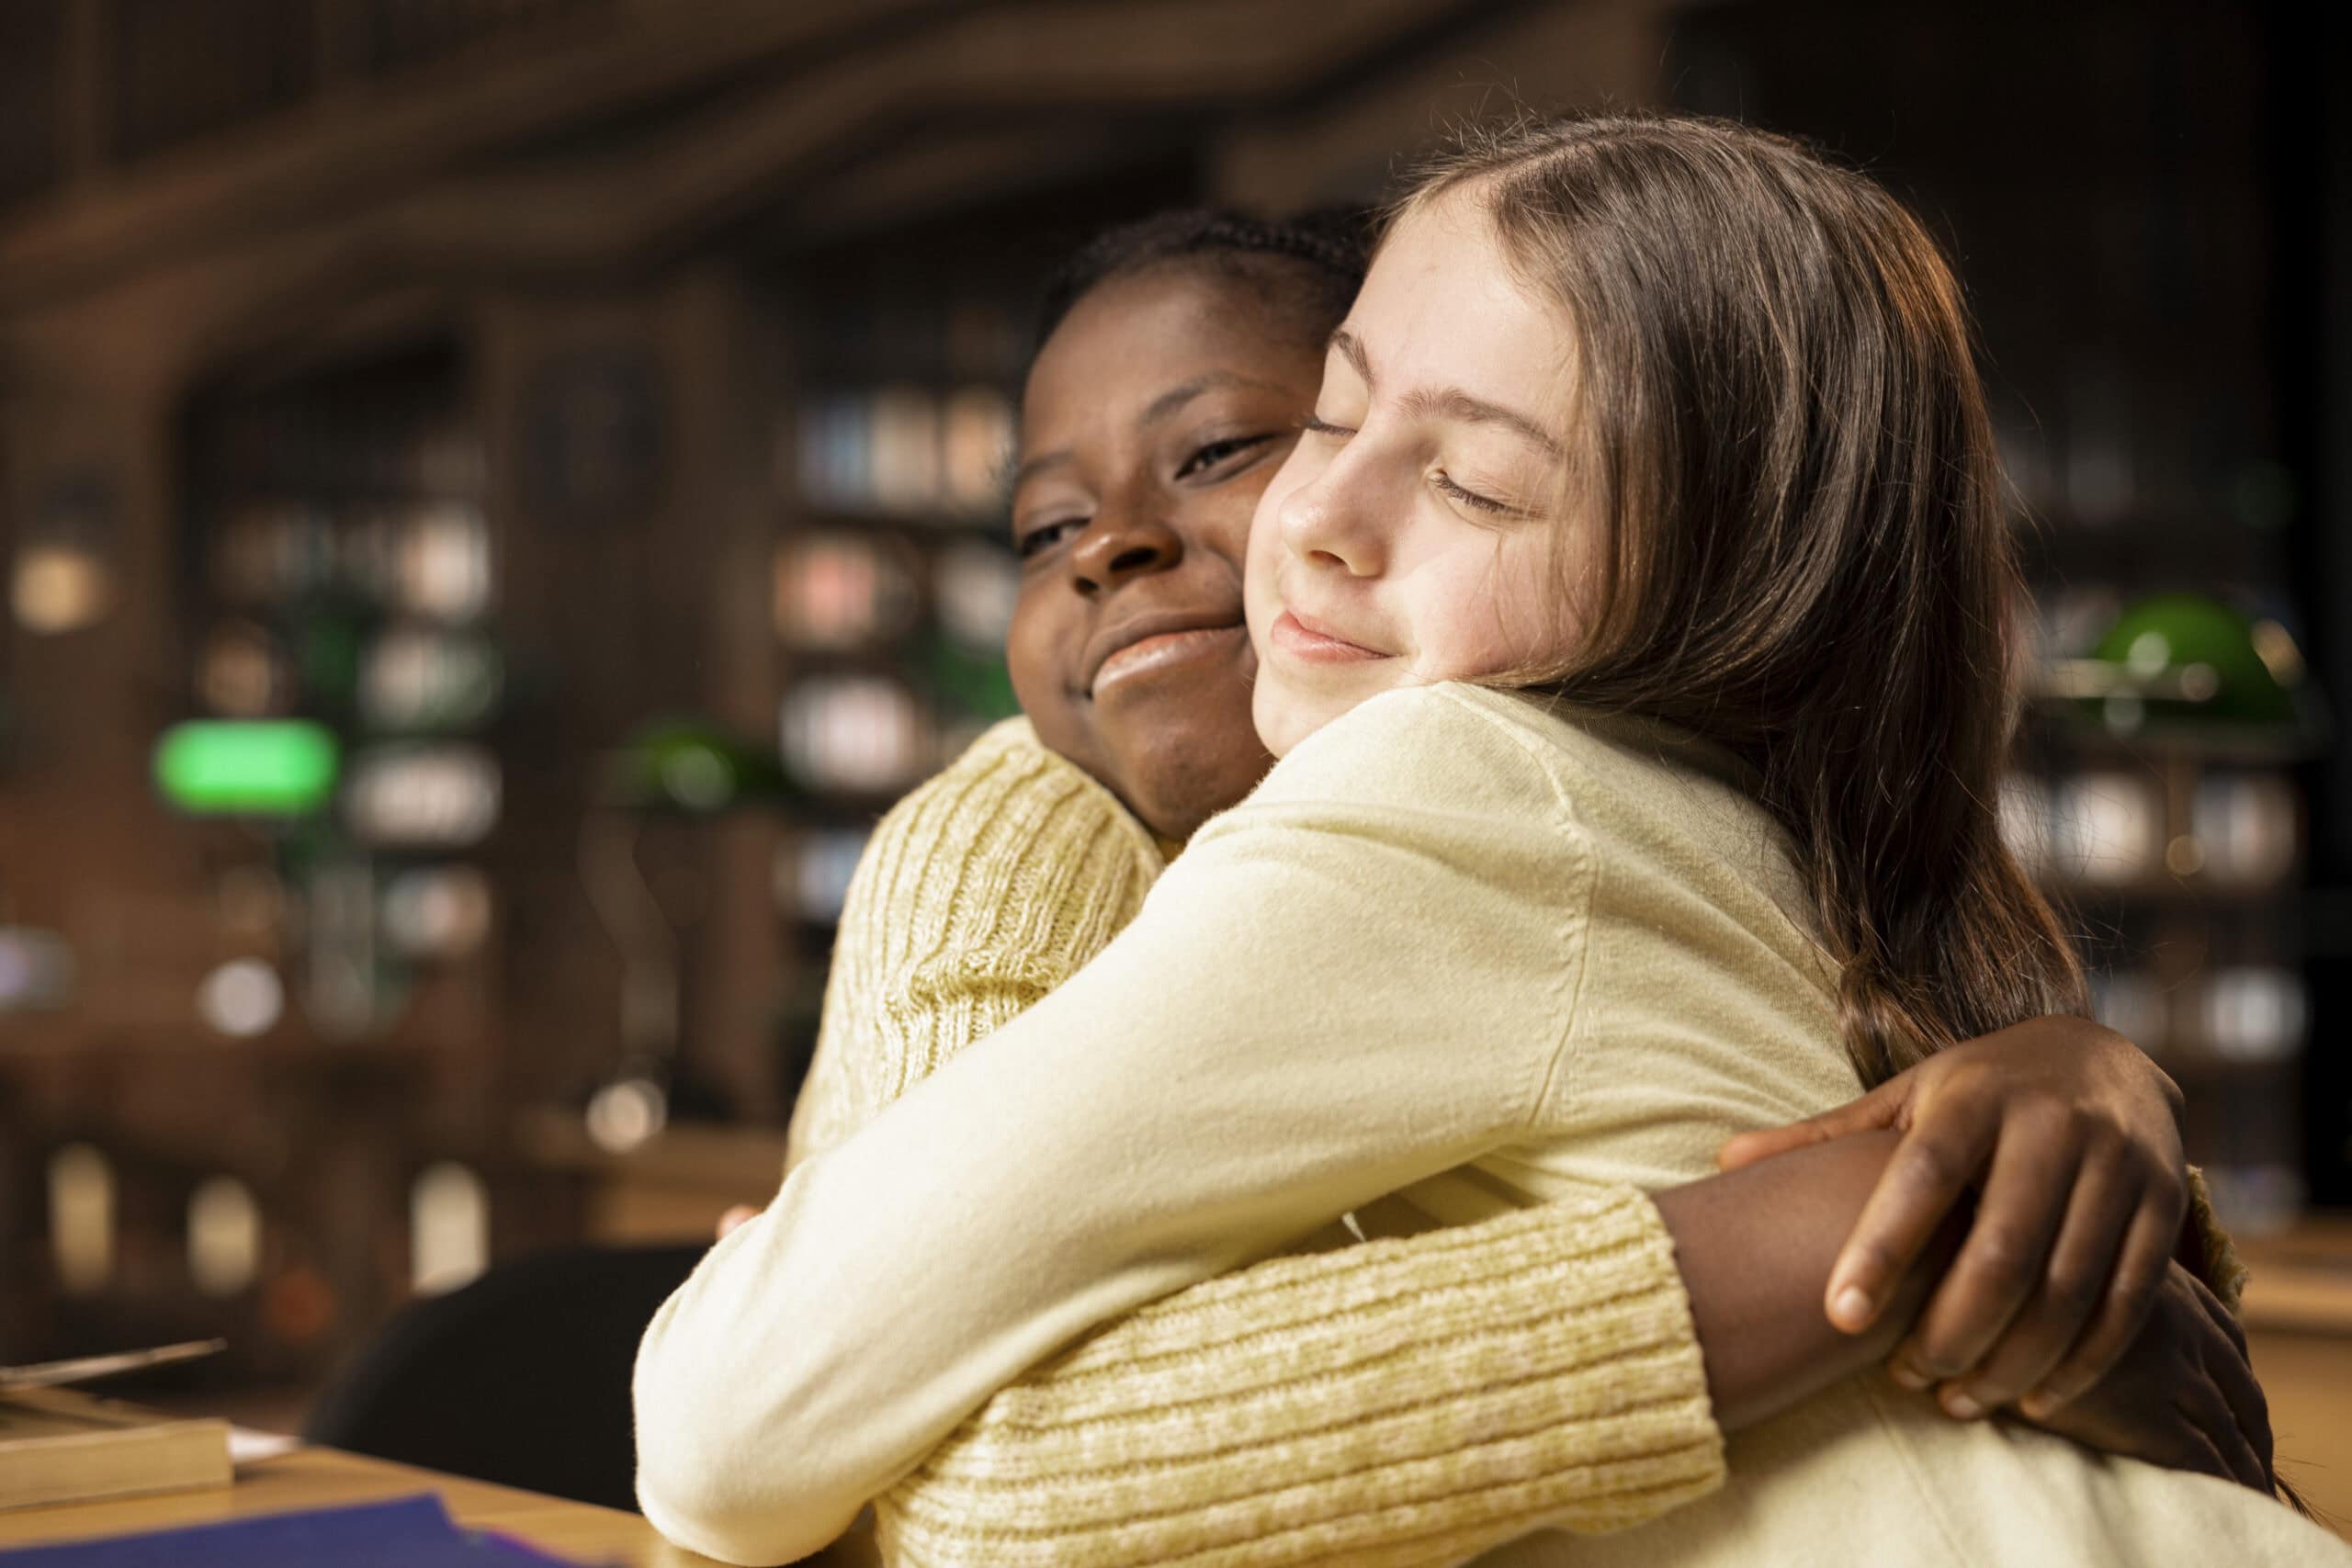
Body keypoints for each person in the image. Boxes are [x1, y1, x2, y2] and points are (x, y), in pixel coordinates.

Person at [643, 125, 2331, 1565]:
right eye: (1335, 417)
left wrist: (815, 1293)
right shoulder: (1707, 840)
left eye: (1474, 486)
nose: (1316, 517)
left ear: (1727, 589)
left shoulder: (1451, 789)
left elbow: (737, 1425)